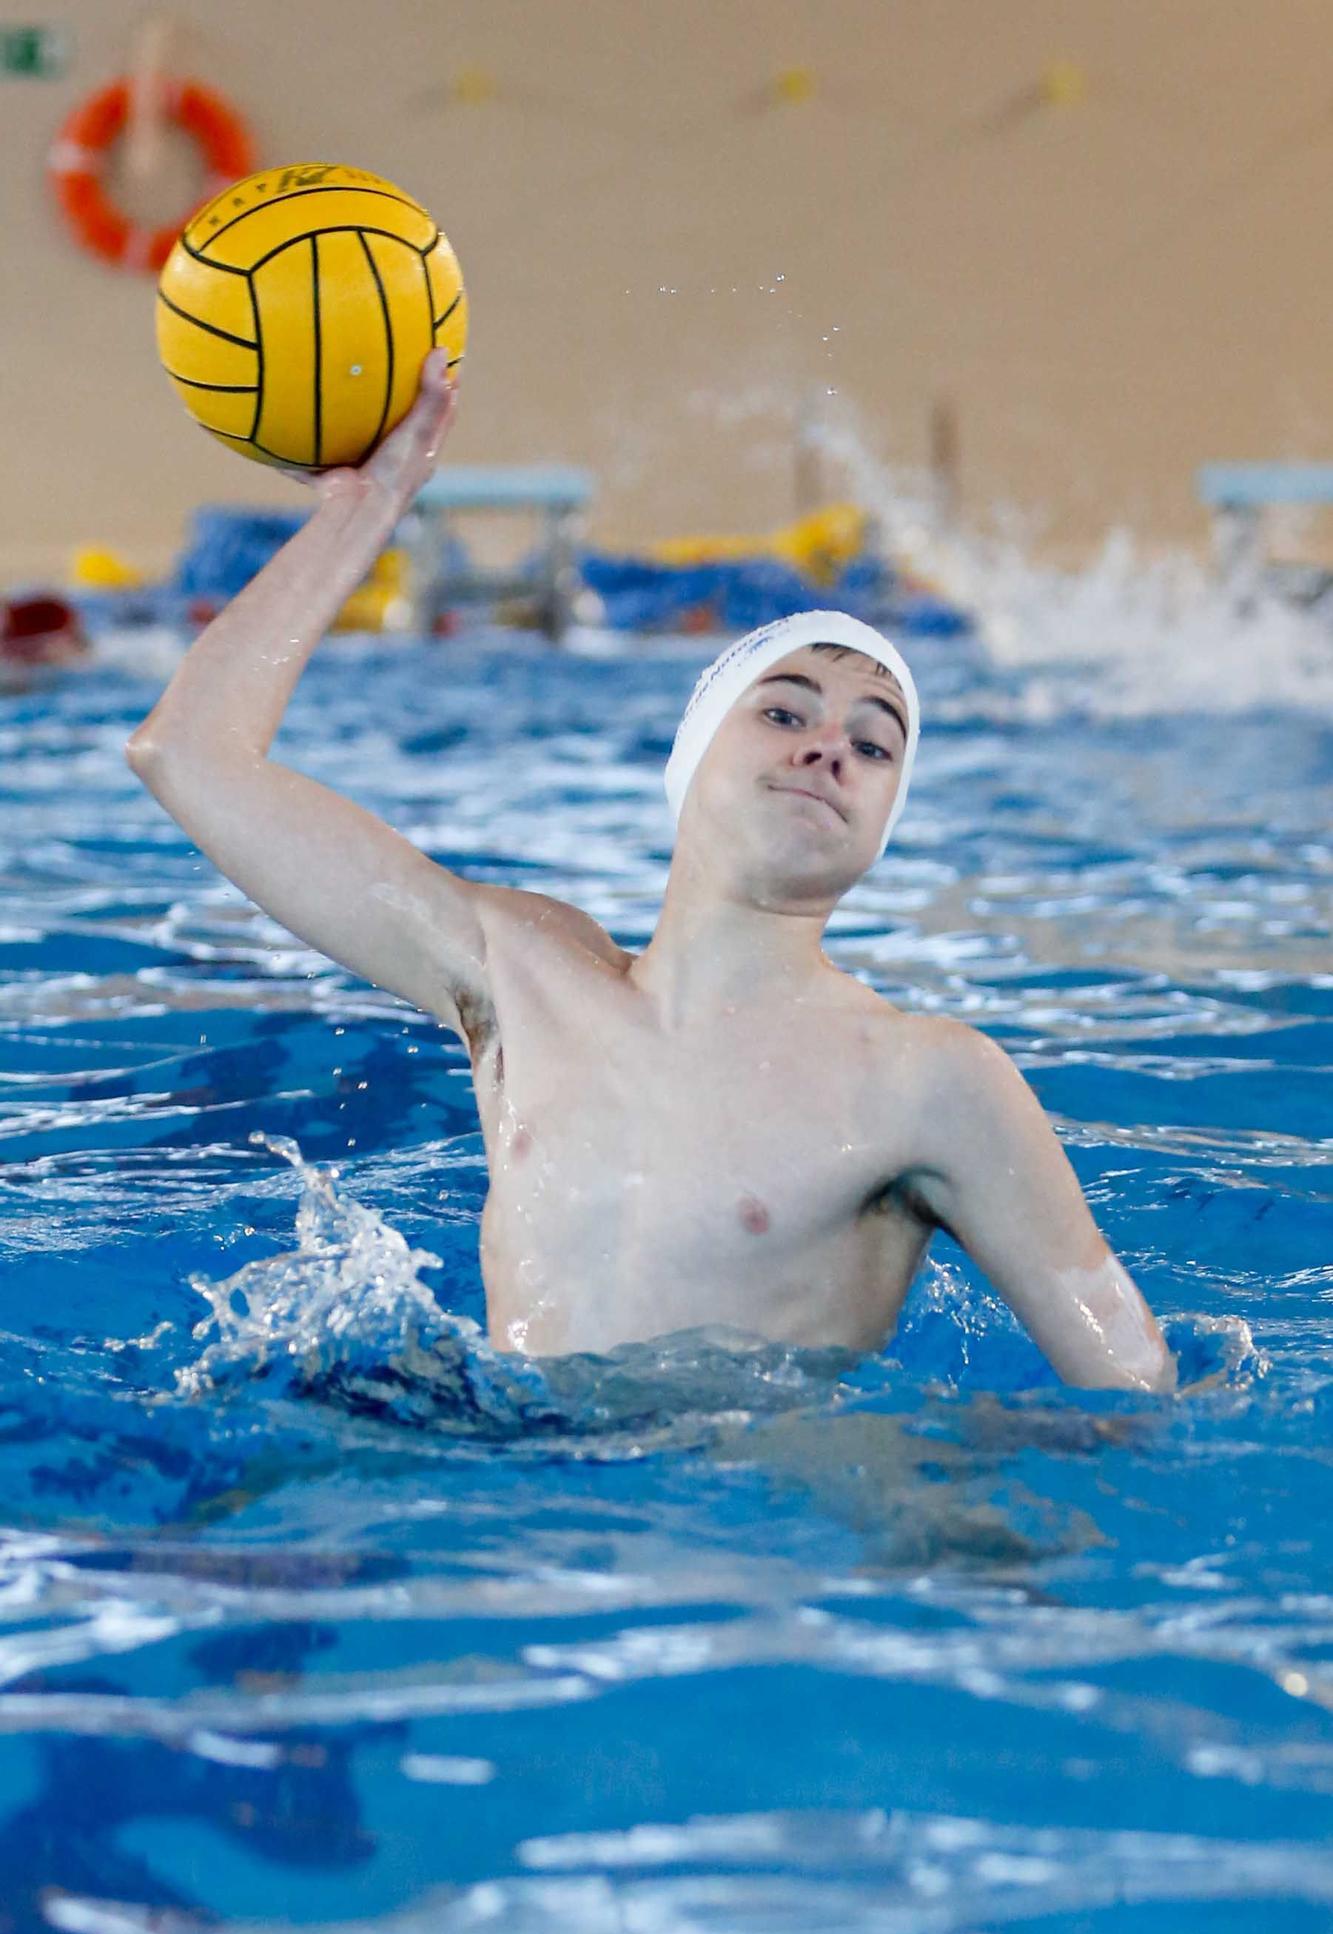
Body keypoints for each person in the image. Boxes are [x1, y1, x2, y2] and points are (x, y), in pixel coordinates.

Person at [127, 352, 1175, 1392]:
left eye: (874, 743)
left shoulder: (930, 1079)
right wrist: (369, 506)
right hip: (502, 1491)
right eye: (783, 711)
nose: (829, 749)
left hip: (744, 1528)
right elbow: (189, 757)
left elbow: (1135, 1392)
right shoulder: (520, 976)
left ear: (882, 822)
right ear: (690, 759)